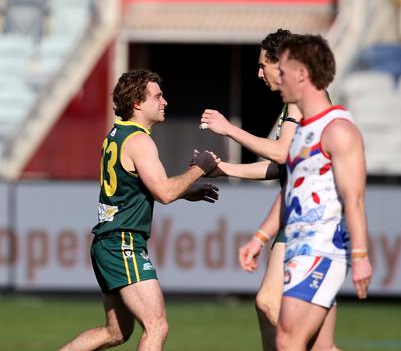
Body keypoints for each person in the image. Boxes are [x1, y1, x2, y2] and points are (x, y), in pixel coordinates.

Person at [59, 69, 220, 351]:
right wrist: (200, 169)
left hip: (108, 241)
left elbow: (137, 189)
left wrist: (186, 191)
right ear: (137, 103)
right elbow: (164, 192)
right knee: (156, 325)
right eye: (157, 96)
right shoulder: (139, 141)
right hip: (123, 242)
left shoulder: (116, 134)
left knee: (116, 332)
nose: (165, 102)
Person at [200, 29, 341, 351]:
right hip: (294, 216)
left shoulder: (302, 103)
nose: (258, 72)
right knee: (267, 307)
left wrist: (229, 130)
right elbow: (281, 167)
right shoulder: (292, 105)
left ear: (282, 65)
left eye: (263, 64)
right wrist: (226, 169)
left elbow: (282, 152)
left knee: (276, 310)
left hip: (312, 216)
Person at [270, 34, 372, 350]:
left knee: (288, 340)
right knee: (317, 346)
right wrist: (261, 236)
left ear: (302, 73)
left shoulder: (336, 128)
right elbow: (292, 192)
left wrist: (360, 255)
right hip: (300, 248)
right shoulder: (301, 130)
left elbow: (354, 198)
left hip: (322, 248)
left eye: (282, 69)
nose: (277, 76)